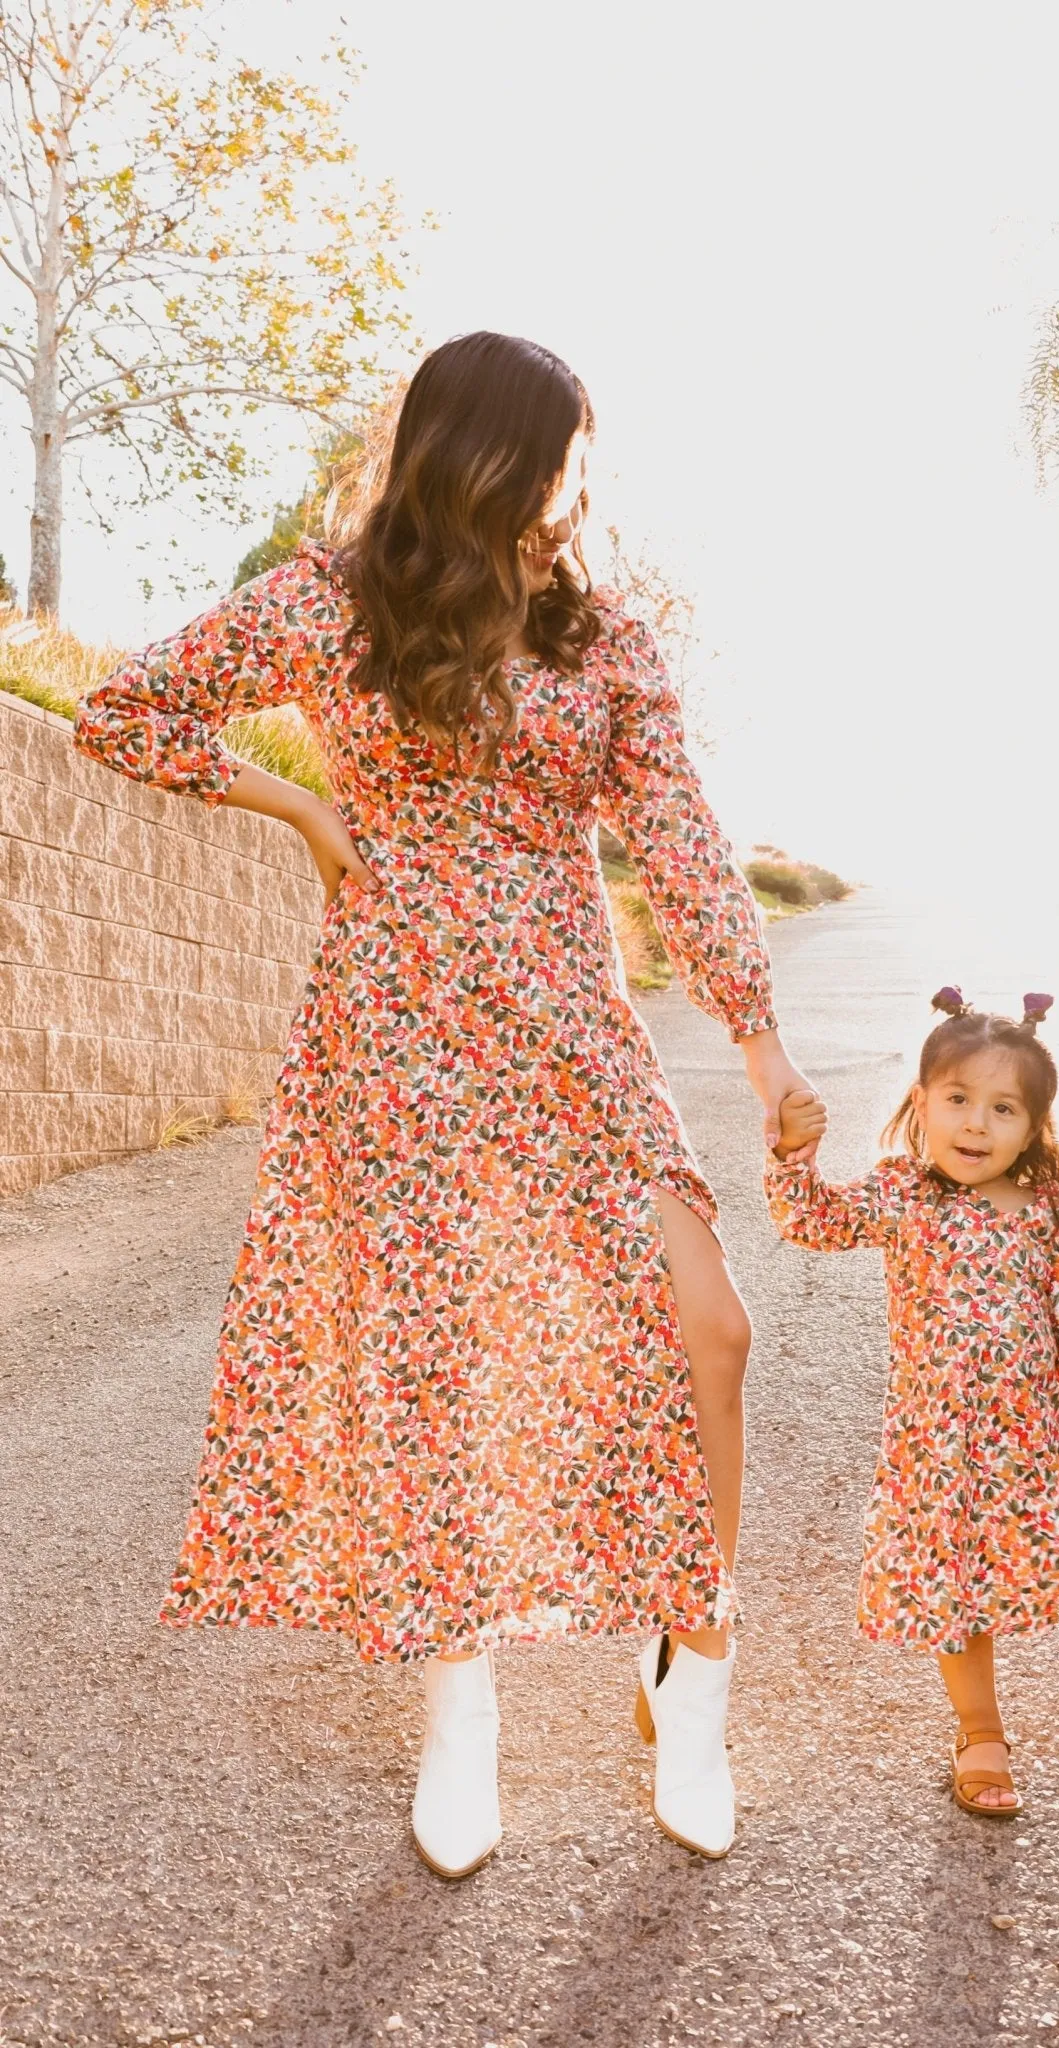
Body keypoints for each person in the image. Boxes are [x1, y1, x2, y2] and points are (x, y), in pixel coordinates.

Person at [74, 331, 816, 1874]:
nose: (569, 482)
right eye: (553, 449)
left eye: (577, 454)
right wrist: (297, 807)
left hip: (566, 1019)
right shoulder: (333, 606)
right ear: (482, 452)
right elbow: (128, 715)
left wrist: (760, 1047)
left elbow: (680, 835)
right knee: (433, 1361)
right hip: (395, 1024)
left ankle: (690, 1673)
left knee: (708, 1327)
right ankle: (456, 1710)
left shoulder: (602, 635)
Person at [763, 987, 1059, 1816]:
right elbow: (813, 1224)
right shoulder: (901, 1194)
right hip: (937, 1438)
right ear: (921, 1104)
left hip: (1031, 1436)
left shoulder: (1040, 1206)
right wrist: (792, 1156)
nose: (975, 1124)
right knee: (957, 1585)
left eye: (1001, 1108)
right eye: (957, 1100)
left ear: (1031, 1127)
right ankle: (979, 1731)